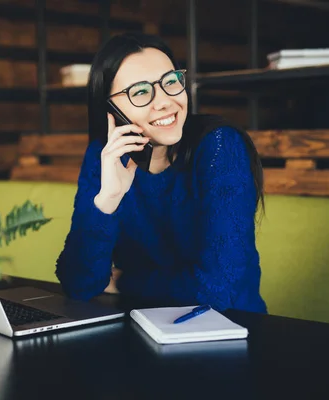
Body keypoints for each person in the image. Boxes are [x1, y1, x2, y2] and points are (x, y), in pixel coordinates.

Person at [55, 32, 267, 313]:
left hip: (231, 330)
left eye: (170, 82)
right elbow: (79, 284)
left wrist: (124, 282)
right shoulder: (104, 157)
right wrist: (109, 198)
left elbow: (218, 289)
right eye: (141, 91)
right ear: (110, 108)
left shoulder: (220, 147)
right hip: (138, 327)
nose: (165, 101)